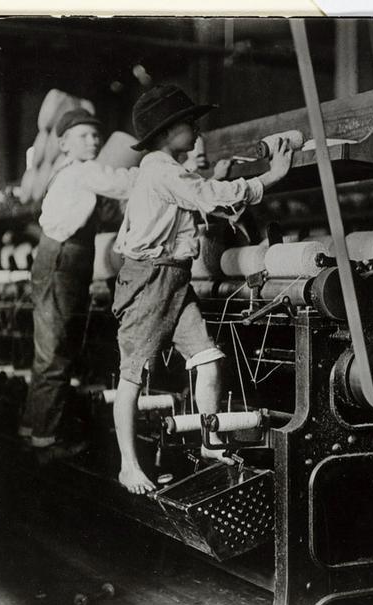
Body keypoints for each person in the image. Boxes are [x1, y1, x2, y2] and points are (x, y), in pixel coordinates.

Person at [112, 85, 293, 494]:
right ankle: (128, 465)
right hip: (149, 279)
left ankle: (210, 444)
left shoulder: (165, 168)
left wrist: (222, 182)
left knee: (208, 358)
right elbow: (208, 197)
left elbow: (202, 193)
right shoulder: (160, 168)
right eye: (188, 125)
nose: (197, 132)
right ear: (163, 133)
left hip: (174, 278)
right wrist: (270, 178)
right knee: (133, 377)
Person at [21, 108, 137, 457]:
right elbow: (124, 183)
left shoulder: (69, 174)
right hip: (64, 260)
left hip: (60, 258)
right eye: (84, 135)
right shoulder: (83, 171)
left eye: (95, 135)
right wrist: (163, 169)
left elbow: (106, 213)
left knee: (50, 348)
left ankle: (34, 425)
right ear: (63, 143)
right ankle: (48, 438)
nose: (94, 140)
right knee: (56, 351)